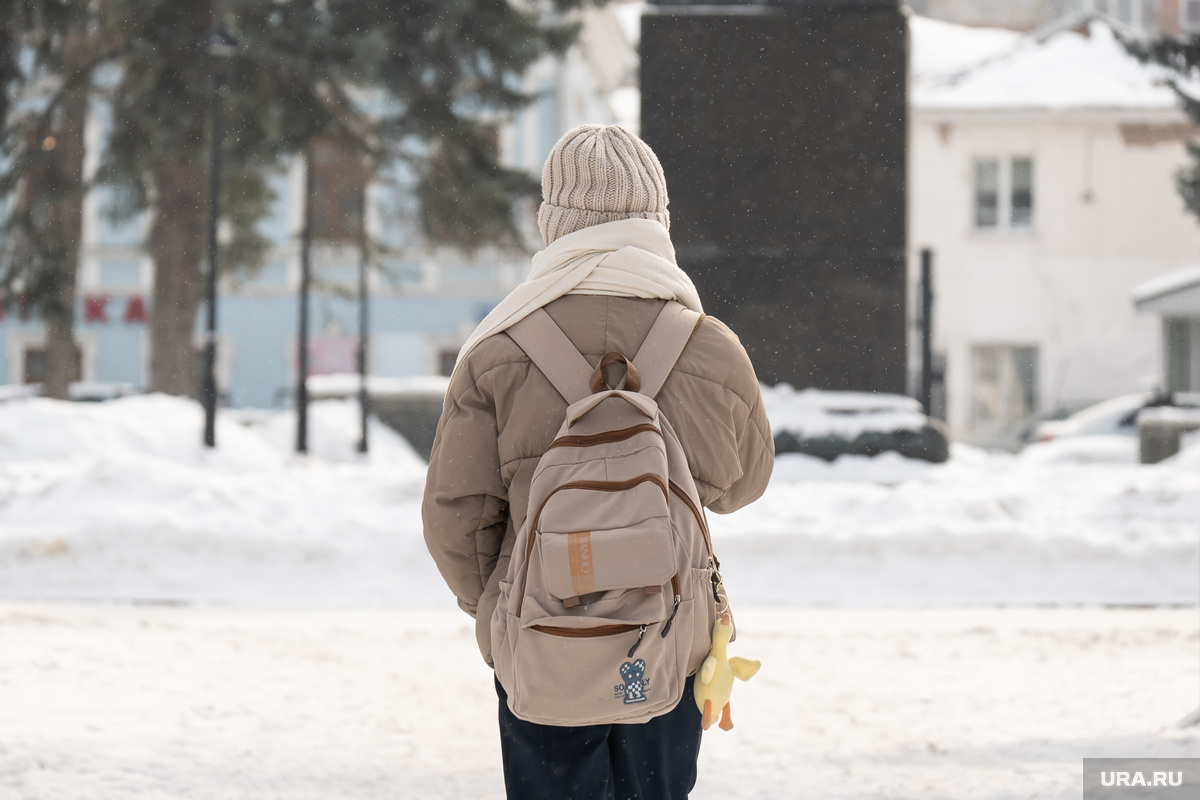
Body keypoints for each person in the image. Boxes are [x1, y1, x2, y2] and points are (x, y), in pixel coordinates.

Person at [422, 124, 774, 800]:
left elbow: (454, 517)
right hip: (667, 636)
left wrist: (500, 607)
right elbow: (743, 483)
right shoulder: (706, 344)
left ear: (552, 225)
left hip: (543, 638)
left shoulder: (496, 350)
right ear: (656, 220)